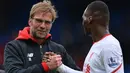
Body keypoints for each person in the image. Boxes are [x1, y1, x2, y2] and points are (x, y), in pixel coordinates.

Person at [46, 1, 124, 73]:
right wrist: (60, 67)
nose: (82, 23)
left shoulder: (109, 45)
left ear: (89, 19)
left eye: (83, 18)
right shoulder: (98, 45)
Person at [3, 1, 80, 73]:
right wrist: (45, 67)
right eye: (39, 21)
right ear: (30, 21)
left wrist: (60, 68)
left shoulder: (59, 49)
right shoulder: (13, 47)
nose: (43, 26)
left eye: (47, 22)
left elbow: (76, 71)